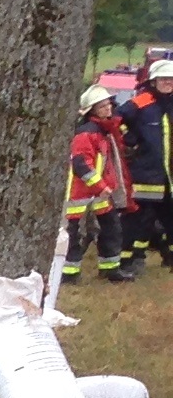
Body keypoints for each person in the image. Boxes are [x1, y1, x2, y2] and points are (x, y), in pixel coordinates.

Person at [67, 85, 132, 286]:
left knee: (111, 230)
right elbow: (81, 164)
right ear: (92, 110)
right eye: (102, 106)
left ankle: (110, 269)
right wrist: (100, 186)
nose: (108, 108)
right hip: (80, 196)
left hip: (99, 195)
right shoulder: (86, 134)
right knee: (76, 235)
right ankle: (68, 273)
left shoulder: (104, 131)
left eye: (108, 104)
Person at [124, 57, 173, 269]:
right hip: (146, 175)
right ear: (153, 81)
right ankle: (132, 258)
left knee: (170, 219)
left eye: (171, 79)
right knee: (140, 219)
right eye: (164, 79)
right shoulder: (141, 102)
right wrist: (130, 140)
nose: (168, 82)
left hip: (168, 177)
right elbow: (116, 120)